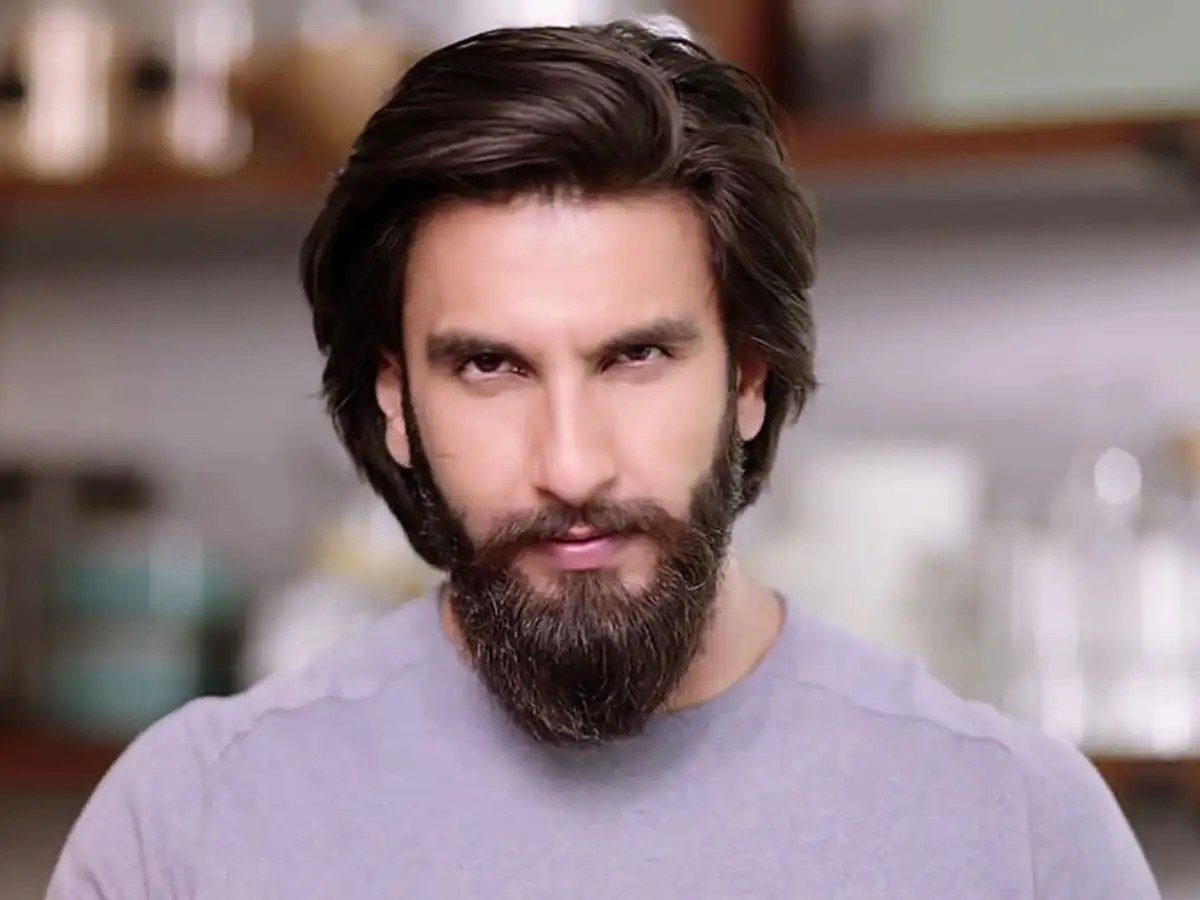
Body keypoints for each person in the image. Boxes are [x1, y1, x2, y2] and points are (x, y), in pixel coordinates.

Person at [48, 21, 1159, 900]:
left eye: (636, 357)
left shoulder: (1015, 830)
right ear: (397, 405)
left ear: (747, 379)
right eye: (490, 367)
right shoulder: (186, 826)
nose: (572, 467)